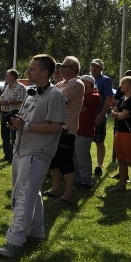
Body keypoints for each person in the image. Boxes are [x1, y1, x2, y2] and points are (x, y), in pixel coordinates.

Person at [0, 54, 66, 258]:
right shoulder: (32, 92)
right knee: (31, 193)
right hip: (21, 149)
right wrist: (17, 123)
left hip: (37, 153)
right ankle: (37, 232)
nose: (29, 72)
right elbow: (25, 120)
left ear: (45, 73)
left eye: (33, 69)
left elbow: (55, 127)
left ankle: (14, 241)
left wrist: (25, 126)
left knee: (23, 195)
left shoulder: (55, 95)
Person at [45, 56, 84, 204]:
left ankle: (67, 195)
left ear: (73, 69)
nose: (61, 69)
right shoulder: (61, 83)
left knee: (65, 161)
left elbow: (59, 99)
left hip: (67, 128)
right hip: (55, 127)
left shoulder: (77, 84)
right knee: (54, 160)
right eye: (62, 66)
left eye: (65, 66)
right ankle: (55, 189)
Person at [110, 76, 131, 192]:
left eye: (123, 84)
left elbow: (121, 116)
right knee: (121, 160)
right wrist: (119, 114)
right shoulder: (122, 99)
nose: (121, 86)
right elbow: (114, 112)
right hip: (119, 132)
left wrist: (119, 114)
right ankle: (121, 186)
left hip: (128, 134)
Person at [75, 75, 102, 188]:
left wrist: (79, 106)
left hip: (85, 131)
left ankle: (86, 181)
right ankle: (78, 179)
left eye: (83, 83)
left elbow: (77, 104)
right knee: (75, 157)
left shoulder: (94, 96)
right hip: (76, 129)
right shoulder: (84, 95)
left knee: (83, 157)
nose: (80, 85)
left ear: (90, 84)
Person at [90, 59, 114, 176]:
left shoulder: (105, 80)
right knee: (83, 142)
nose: (94, 68)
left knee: (99, 141)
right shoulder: (85, 78)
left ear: (101, 69)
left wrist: (101, 115)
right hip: (86, 116)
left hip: (99, 116)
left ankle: (99, 166)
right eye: (93, 66)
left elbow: (109, 99)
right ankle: (84, 165)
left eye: (97, 67)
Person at [0, 69, 27, 161]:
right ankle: (7, 155)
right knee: (4, 134)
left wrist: (8, 102)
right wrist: (1, 102)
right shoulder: (7, 87)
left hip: (14, 112)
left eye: (7, 75)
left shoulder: (21, 87)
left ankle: (14, 155)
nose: (6, 77)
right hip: (4, 112)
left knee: (14, 135)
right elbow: (1, 98)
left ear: (12, 76)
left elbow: (22, 100)